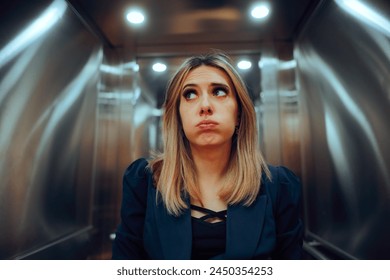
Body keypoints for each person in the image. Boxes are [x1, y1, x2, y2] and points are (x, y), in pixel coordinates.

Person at [112, 52, 303, 260]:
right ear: (178, 116)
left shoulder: (280, 186)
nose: (205, 106)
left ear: (238, 113)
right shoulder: (142, 182)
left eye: (219, 92)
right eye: (190, 95)